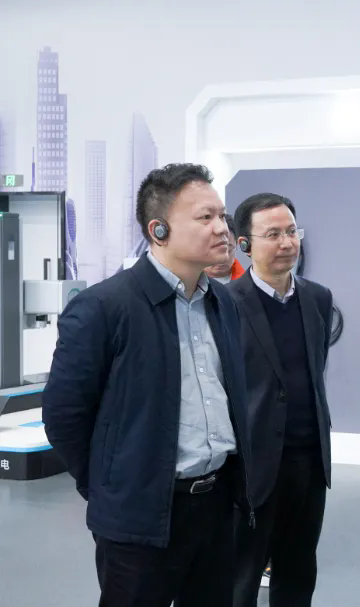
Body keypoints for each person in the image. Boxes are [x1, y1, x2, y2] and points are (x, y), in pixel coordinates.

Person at [41, 163, 252, 607]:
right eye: (205, 217)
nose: (222, 228)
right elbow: (64, 416)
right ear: (158, 230)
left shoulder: (224, 303)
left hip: (216, 507)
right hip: (140, 520)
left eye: (222, 216)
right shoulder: (104, 307)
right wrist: (111, 486)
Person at [229, 193, 334, 607]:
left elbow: (315, 370)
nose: (287, 242)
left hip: (309, 464)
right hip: (251, 467)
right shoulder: (225, 304)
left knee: (298, 574)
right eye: (273, 234)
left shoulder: (318, 298)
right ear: (245, 244)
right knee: (240, 579)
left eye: (292, 231)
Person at [205, 213, 245, 283]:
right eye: (215, 249)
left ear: (236, 245)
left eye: (227, 250)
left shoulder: (249, 284)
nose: (221, 259)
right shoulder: (186, 282)